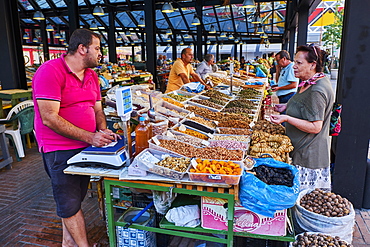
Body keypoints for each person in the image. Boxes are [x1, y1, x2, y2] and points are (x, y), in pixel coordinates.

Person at [32, 28, 120, 247]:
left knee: (73, 201)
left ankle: (68, 244)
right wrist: (91, 137)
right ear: (82, 49)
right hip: (59, 149)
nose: (101, 54)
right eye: (97, 48)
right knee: (69, 204)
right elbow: (49, 118)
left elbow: (98, 110)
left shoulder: (92, 75)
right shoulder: (49, 72)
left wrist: (101, 131)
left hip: (85, 147)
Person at [270, 45, 334, 191]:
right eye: (295, 62)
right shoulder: (307, 83)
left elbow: (315, 126)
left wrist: (286, 118)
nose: (294, 66)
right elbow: (305, 107)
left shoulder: (317, 90)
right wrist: (286, 106)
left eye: (299, 63)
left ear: (313, 65)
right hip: (299, 149)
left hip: (308, 156)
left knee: (302, 201)